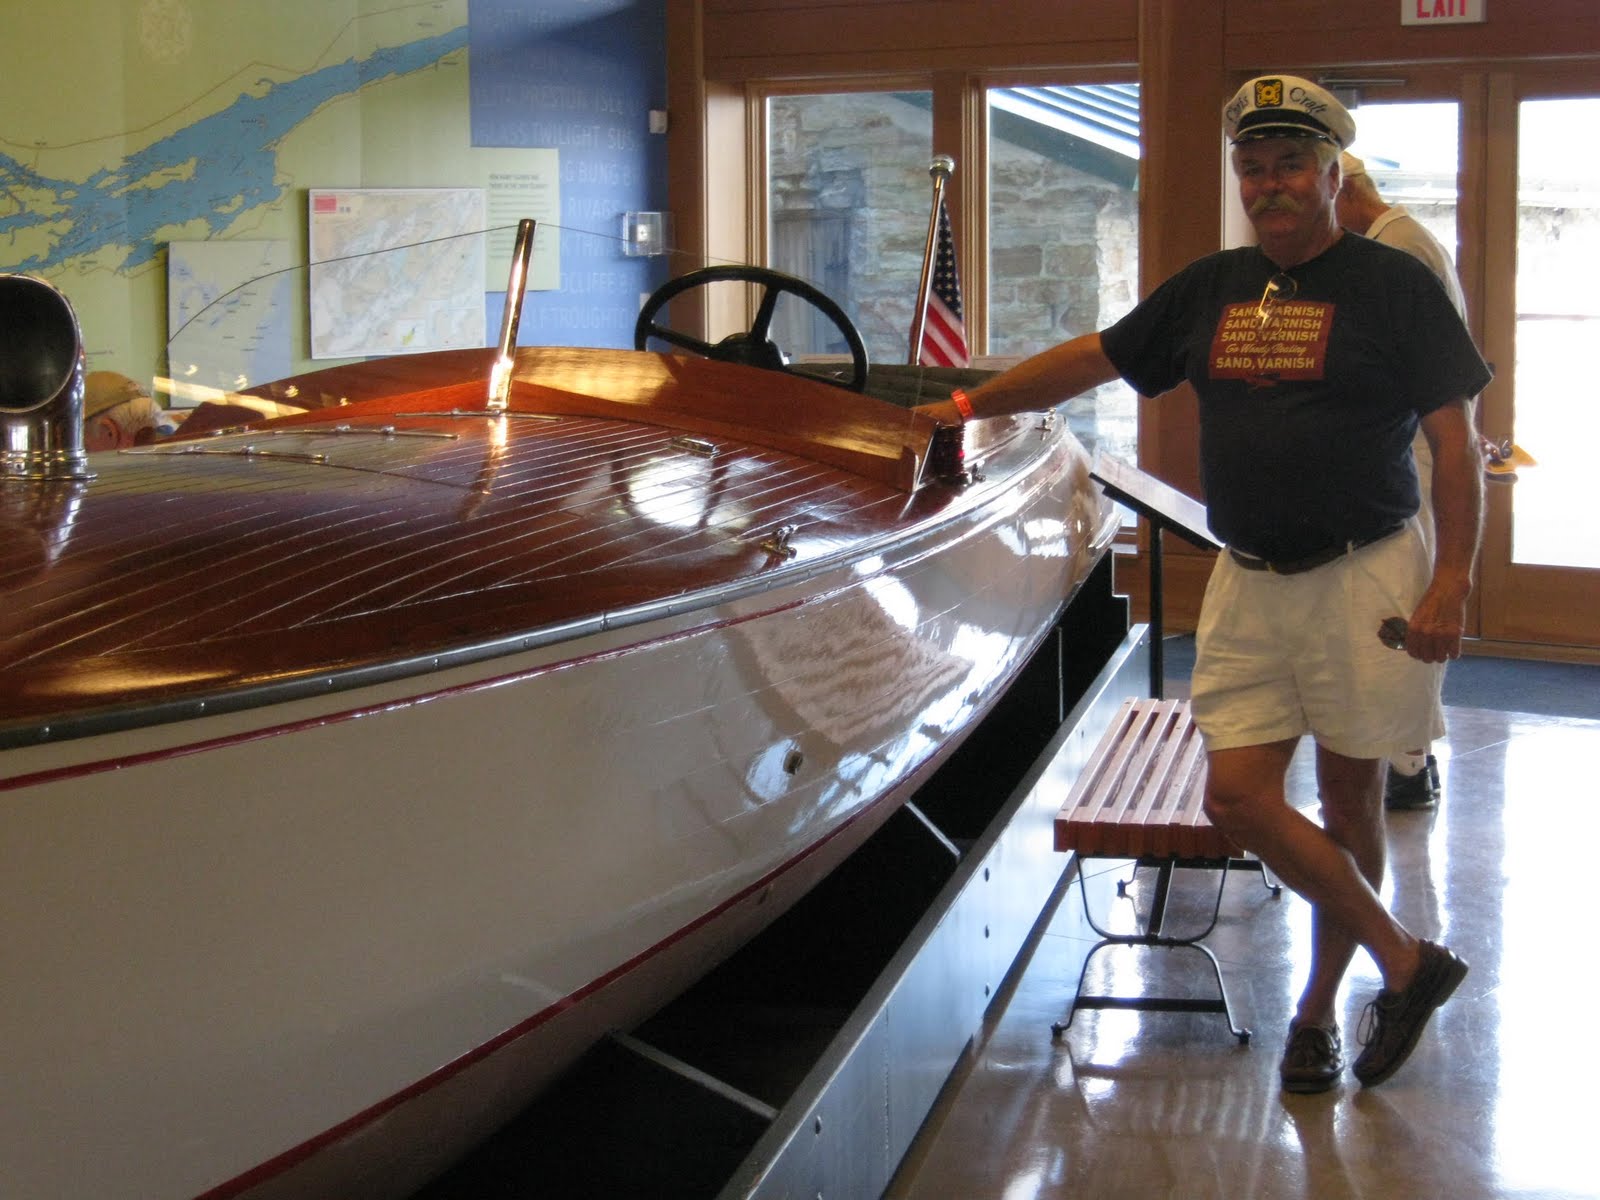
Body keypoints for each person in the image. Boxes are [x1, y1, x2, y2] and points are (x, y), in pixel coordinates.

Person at [919, 75, 1488, 1095]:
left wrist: (1451, 583)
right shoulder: (1211, 286)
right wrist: (963, 404)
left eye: (1289, 166)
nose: (1268, 184)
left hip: (1367, 577)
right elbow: (1089, 360)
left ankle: (1316, 1012)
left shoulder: (1392, 285)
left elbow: (1456, 442)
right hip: (1250, 576)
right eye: (1252, 166)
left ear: (1328, 173)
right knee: (1236, 796)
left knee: (1352, 801)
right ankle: (1405, 961)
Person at [1336, 152, 1469, 811]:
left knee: (1403, 602)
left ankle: (1409, 759)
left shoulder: (1397, 249)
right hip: (1405, 441)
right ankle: (1406, 754)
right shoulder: (1405, 238)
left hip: (1410, 445)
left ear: (1345, 190)